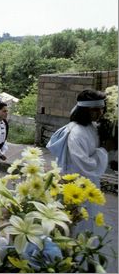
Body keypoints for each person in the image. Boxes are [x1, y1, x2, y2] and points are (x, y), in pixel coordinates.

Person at [48, 89, 108, 233]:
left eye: (101, 109)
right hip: (77, 186)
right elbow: (85, 164)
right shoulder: (76, 133)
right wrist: (104, 150)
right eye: (96, 110)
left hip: (89, 182)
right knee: (77, 224)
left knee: (87, 222)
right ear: (85, 110)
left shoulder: (92, 127)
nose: (100, 113)